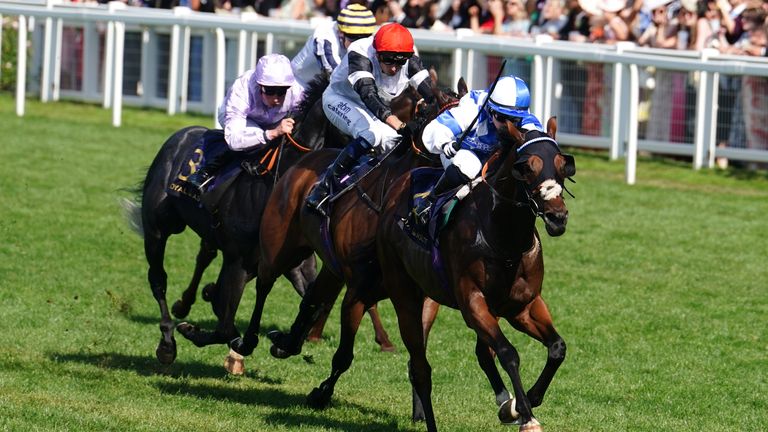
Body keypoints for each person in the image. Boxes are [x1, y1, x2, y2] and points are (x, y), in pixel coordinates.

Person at [305, 22, 437, 213]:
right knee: (371, 134)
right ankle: (324, 187)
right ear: (377, 54)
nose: (394, 68)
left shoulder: (409, 60)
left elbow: (432, 93)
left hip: (370, 108)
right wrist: (401, 125)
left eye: (399, 62)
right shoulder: (360, 52)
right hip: (339, 99)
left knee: (397, 143)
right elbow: (369, 95)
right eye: (388, 61)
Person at [412, 74, 545, 225]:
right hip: (462, 152)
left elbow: (540, 145)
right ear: (490, 109)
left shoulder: (526, 120)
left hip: (493, 159)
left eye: (514, 120)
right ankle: (429, 202)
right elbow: (436, 128)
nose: (508, 125)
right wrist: (445, 144)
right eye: (502, 118)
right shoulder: (473, 107)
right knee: (470, 165)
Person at [186, 53, 303, 191]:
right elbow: (234, 140)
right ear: (259, 85)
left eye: (282, 91)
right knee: (254, 139)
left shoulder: (296, 92)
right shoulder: (241, 89)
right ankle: (206, 172)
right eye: (270, 91)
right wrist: (270, 134)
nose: (276, 98)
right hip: (240, 118)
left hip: (273, 121)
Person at [290, 3, 377, 89]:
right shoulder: (325, 36)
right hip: (300, 85)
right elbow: (335, 75)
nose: (359, 43)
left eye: (365, 37)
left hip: (322, 86)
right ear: (340, 33)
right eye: (353, 37)